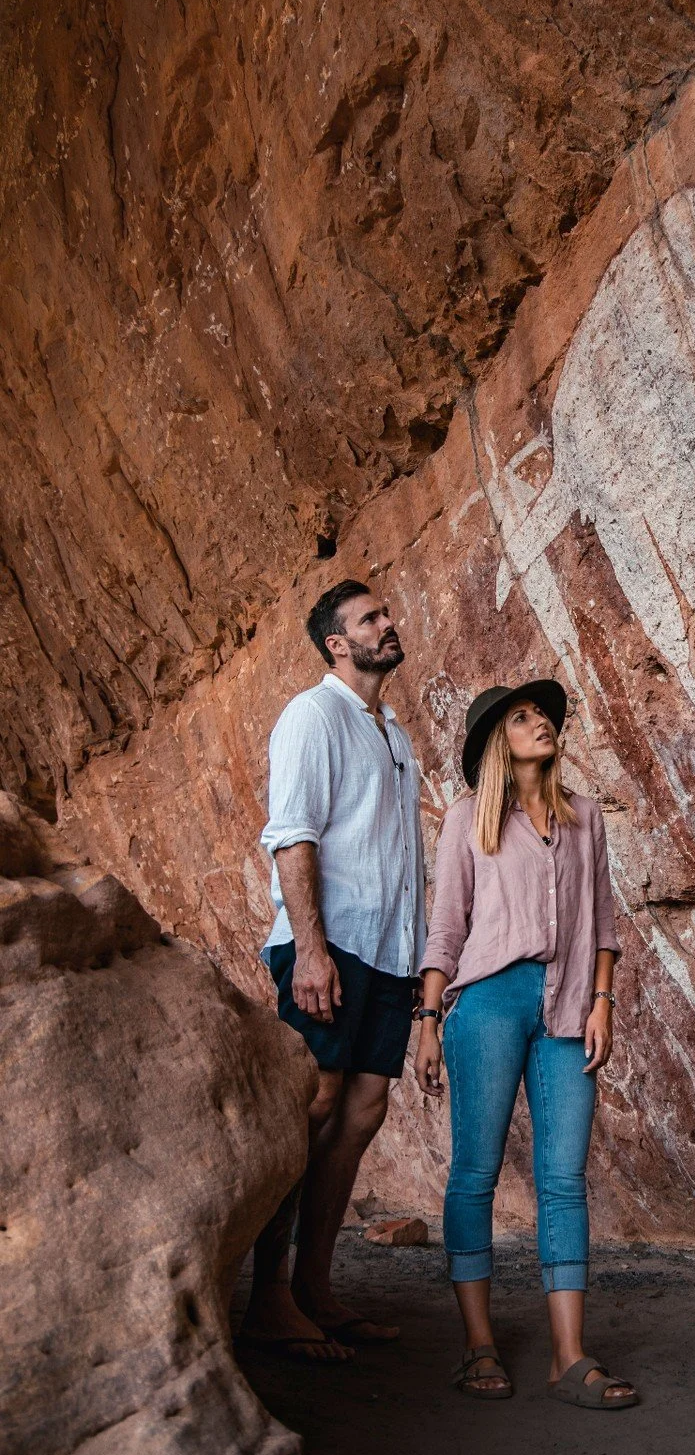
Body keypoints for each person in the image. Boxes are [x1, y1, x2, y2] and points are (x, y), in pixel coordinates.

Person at [415, 681, 638, 1408]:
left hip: (570, 1006)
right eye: (520, 717)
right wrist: (426, 1018)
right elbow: (446, 927)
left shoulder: (585, 817)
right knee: (475, 1171)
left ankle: (569, 1357)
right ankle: (478, 1343)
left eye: (542, 713)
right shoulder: (466, 822)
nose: (540, 721)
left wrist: (602, 1003)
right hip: (487, 1003)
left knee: (565, 1178)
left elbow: (603, 921)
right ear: (495, 746)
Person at [240, 579, 426, 1361]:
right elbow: (293, 836)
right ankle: (269, 1294)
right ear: (336, 645)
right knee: (311, 1104)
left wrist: (416, 962)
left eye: (387, 612)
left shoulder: (394, 735)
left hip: (386, 951)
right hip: (329, 942)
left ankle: (316, 1286)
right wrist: (311, 949)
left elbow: (403, 854)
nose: (388, 623)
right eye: (370, 619)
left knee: (362, 1111)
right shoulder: (312, 715)